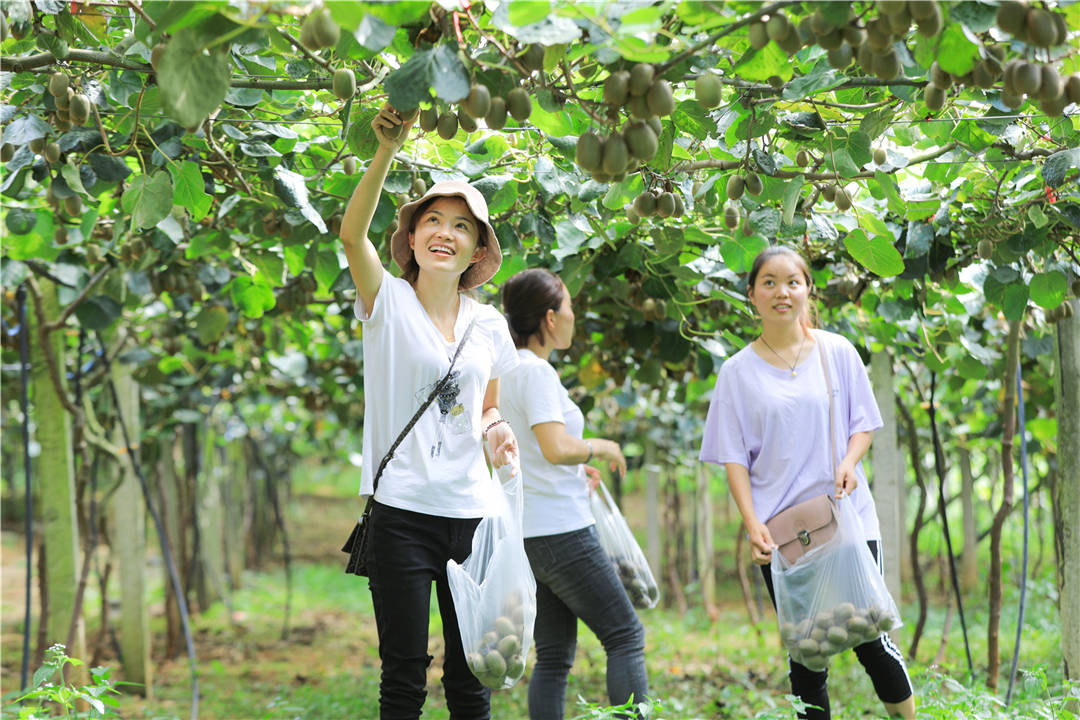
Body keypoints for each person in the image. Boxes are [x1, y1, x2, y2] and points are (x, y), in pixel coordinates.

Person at [339, 104, 520, 718]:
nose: (446, 233)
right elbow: (350, 234)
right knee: (405, 676)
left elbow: (488, 408)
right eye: (433, 222)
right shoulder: (385, 301)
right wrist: (386, 151)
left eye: (462, 227)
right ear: (412, 239)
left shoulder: (490, 324)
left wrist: (497, 434)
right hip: (403, 514)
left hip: (472, 512)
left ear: (476, 250)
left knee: (474, 670)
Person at [698, 246, 916, 720]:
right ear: (752, 294)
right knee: (806, 654)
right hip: (785, 534)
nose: (782, 292)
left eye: (793, 281)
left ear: (807, 289)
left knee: (872, 641)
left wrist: (851, 461)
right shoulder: (736, 372)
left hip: (845, 519)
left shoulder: (835, 351)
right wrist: (753, 524)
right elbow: (734, 458)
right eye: (770, 282)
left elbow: (864, 423)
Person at [499, 268, 649, 719]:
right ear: (549, 317)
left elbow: (529, 450)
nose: (573, 316)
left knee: (554, 656)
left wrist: (574, 468)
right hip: (562, 532)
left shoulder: (504, 374)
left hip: (529, 534)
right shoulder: (537, 373)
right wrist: (600, 447)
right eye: (569, 307)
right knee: (625, 635)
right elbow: (554, 446)